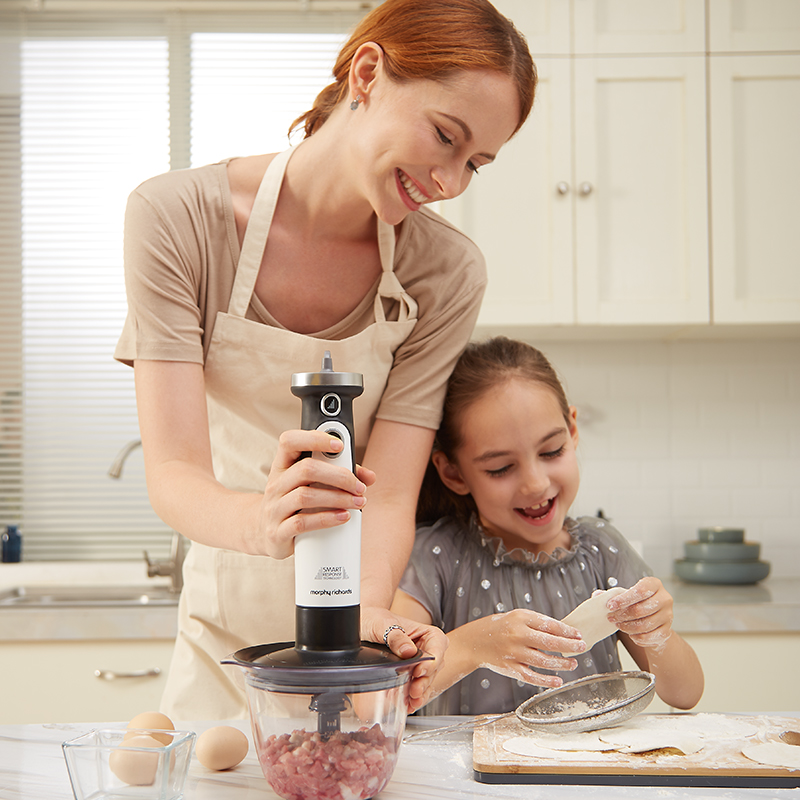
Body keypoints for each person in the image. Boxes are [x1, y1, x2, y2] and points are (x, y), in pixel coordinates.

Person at [114, 0, 537, 719]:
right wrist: (263, 522)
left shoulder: (445, 271)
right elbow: (175, 472)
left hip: (359, 652)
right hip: (225, 636)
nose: (452, 182)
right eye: (445, 136)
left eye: (477, 164)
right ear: (368, 72)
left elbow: (395, 489)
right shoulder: (176, 219)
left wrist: (366, 622)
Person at [392, 337, 704, 715]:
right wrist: (476, 644)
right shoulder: (434, 557)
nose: (535, 483)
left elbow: (685, 694)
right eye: (500, 468)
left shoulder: (602, 551)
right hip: (471, 773)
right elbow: (390, 694)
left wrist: (659, 635)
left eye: (551, 451)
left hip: (590, 768)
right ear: (453, 472)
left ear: (572, 430)